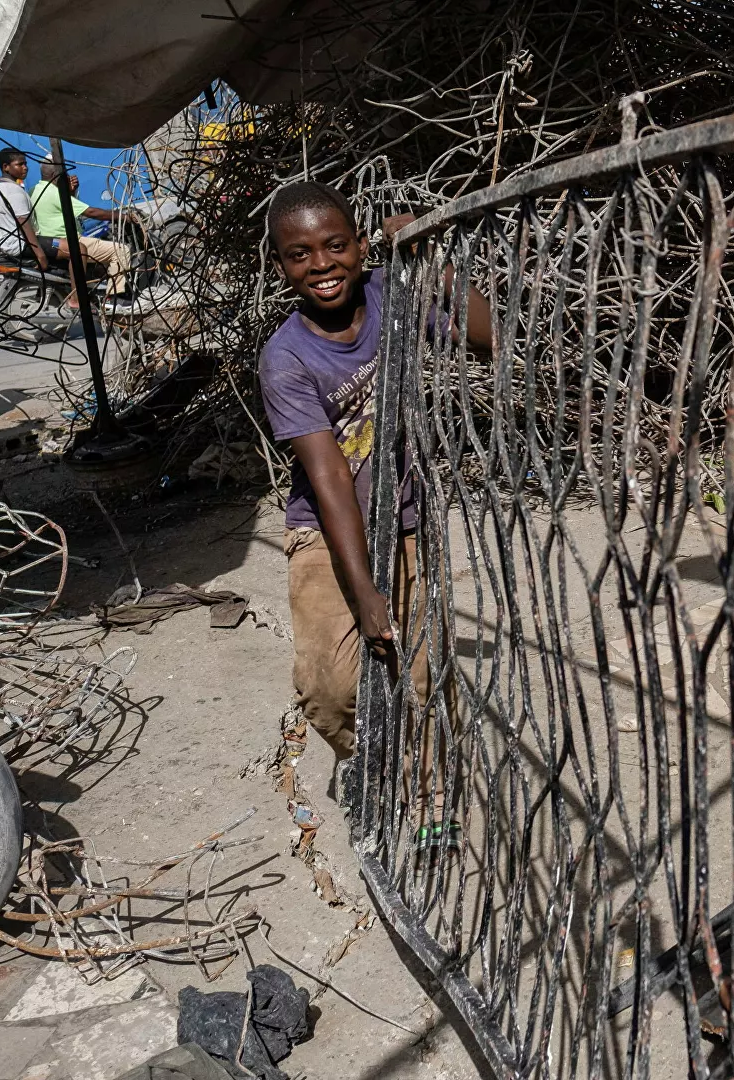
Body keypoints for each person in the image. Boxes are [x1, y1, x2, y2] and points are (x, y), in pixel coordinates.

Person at [258, 182, 490, 822]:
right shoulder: (286, 359)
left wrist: (429, 254)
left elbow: (486, 335)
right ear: (281, 267)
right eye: (300, 254)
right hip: (327, 530)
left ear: (362, 246)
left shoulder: (393, 292)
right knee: (330, 689)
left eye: (335, 246)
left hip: (408, 519)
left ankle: (426, 785)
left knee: (416, 670)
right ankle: (371, 757)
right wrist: (363, 592)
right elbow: (330, 477)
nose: (322, 265)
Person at [30, 164, 139, 310]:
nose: (68, 177)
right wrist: (124, 216)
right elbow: (91, 212)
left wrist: (71, 192)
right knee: (120, 250)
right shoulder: (55, 193)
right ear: (56, 175)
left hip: (51, 242)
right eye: (65, 174)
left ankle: (96, 286)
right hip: (68, 240)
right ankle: (113, 297)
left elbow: (62, 210)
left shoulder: (34, 190)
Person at [0, 147, 49, 267]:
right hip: (20, 244)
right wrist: (40, 256)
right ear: (6, 167)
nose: (25, 167)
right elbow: (23, 223)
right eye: (20, 164)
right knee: (77, 249)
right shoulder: (14, 191)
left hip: (5, 245)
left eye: (25, 163)